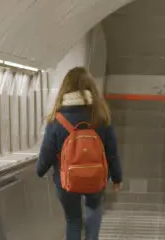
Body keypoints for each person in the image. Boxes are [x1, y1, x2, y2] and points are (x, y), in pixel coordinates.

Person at [36, 67, 123, 240]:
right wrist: (117, 177)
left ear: (65, 88)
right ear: (91, 88)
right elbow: (111, 151)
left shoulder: (57, 119)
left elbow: (47, 151)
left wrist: (40, 169)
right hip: (96, 177)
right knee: (93, 209)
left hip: (65, 180)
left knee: (73, 219)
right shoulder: (101, 116)